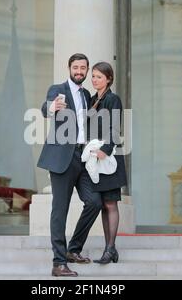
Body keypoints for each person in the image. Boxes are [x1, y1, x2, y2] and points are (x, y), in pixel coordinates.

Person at [38, 53, 103, 277]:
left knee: (95, 201)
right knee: (60, 210)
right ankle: (58, 262)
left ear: (86, 71)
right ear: (69, 68)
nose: (79, 71)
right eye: (75, 67)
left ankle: (73, 250)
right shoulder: (58, 89)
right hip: (62, 158)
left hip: (83, 158)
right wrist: (51, 107)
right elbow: (45, 109)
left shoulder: (86, 94)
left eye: (82, 68)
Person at [87, 62, 127, 264]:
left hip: (109, 156)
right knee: (103, 204)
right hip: (96, 157)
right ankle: (110, 248)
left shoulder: (113, 99)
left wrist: (106, 149)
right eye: (93, 76)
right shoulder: (93, 99)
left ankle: (110, 248)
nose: (94, 80)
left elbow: (115, 127)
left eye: (99, 77)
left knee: (111, 202)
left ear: (109, 79)